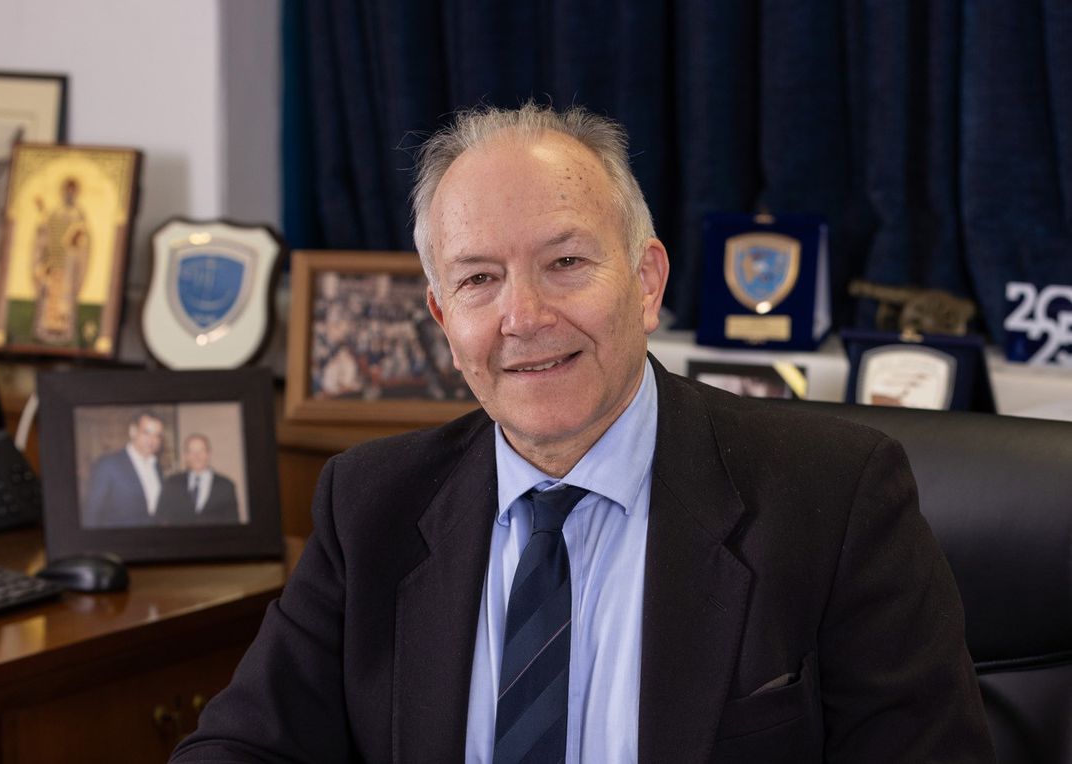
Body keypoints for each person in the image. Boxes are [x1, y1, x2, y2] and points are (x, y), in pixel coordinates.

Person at [172, 104, 995, 762]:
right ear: (443, 320)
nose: (523, 316)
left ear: (646, 282)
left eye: (565, 263)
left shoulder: (834, 496)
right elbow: (243, 745)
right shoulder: (371, 503)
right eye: (479, 278)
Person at [31, 176, 90, 345]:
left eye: (72, 191)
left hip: (69, 266)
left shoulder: (78, 216)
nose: (69, 194)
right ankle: (46, 328)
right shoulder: (54, 213)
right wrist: (43, 261)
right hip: (52, 265)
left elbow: (82, 243)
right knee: (49, 298)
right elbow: (45, 237)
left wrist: (74, 243)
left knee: (64, 299)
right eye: (67, 190)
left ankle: (62, 330)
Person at [84, 410, 165, 528]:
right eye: (146, 433)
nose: (152, 440)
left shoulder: (157, 466)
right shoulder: (108, 465)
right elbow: (91, 514)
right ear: (133, 431)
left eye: (157, 435)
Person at [155, 433, 240, 525]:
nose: (197, 456)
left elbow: (232, 521)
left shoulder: (226, 486)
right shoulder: (171, 483)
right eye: (191, 451)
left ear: (209, 453)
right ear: (186, 455)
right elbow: (162, 518)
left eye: (201, 450)